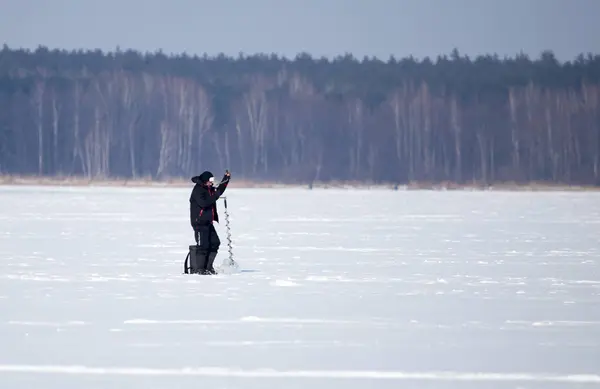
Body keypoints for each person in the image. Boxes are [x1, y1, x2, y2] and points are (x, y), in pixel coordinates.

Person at [189, 169, 231, 274]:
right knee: (203, 246)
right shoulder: (198, 190)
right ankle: (200, 270)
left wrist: (226, 179)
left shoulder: (209, 189)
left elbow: (219, 191)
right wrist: (215, 196)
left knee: (215, 243)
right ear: (205, 180)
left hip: (208, 223)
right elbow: (204, 203)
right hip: (199, 223)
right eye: (210, 180)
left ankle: (208, 267)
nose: (212, 182)